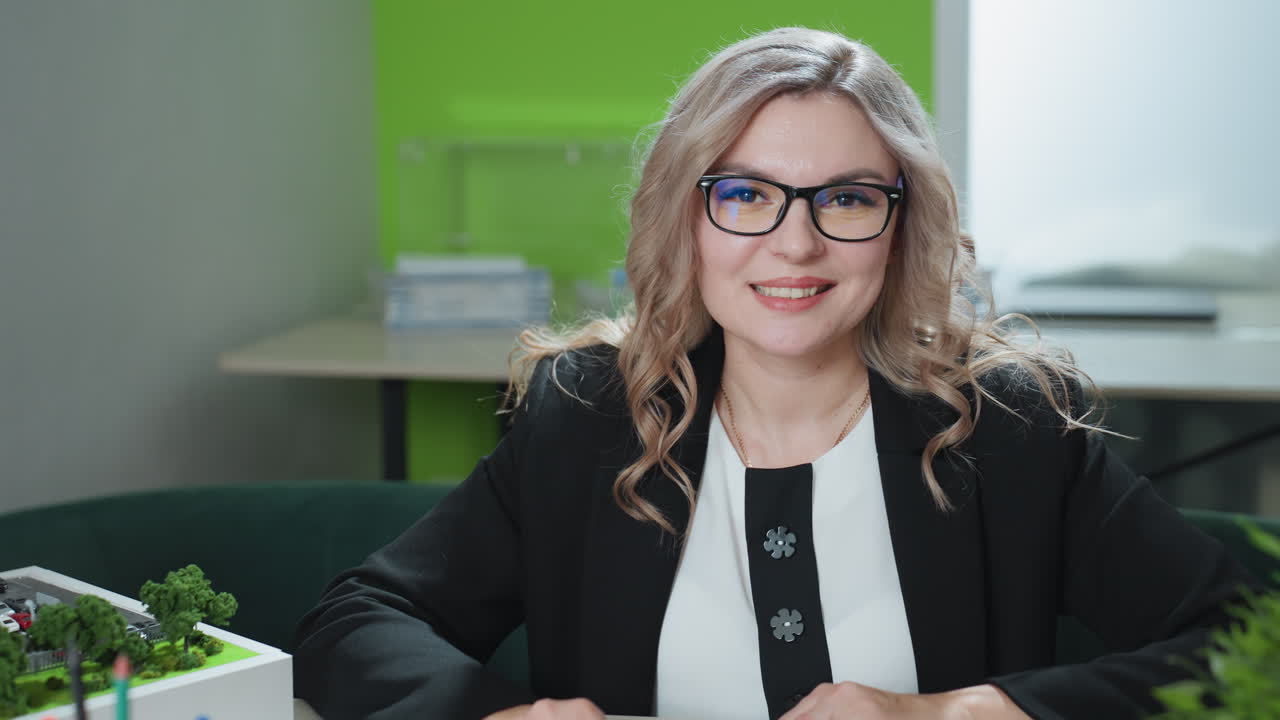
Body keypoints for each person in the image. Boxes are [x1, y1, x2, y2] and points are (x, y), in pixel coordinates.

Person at [293, 27, 1258, 720]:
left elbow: (1249, 642)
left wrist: (959, 712)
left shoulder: (1006, 427)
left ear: (899, 225)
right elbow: (356, 621)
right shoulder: (593, 413)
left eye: (843, 198)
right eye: (746, 194)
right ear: (686, 217)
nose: (794, 245)